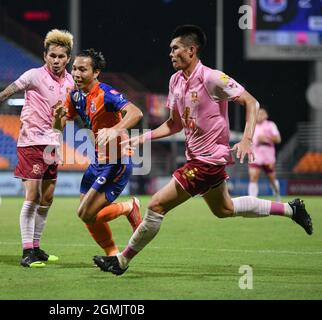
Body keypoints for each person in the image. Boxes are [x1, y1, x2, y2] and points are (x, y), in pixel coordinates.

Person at [93, 25, 313, 276]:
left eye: (175, 48)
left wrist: (247, 139)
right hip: (198, 158)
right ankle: (292, 209)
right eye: (170, 49)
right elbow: (174, 124)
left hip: (208, 161)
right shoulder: (175, 81)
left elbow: (251, 102)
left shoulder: (212, 78)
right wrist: (142, 138)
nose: (171, 53)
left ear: (191, 50)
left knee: (156, 205)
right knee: (224, 210)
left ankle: (121, 261)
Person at [0, 29, 75, 268]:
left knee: (47, 197)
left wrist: (58, 120)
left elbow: (61, 123)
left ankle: (36, 247)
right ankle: (26, 252)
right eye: (52, 55)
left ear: (68, 58)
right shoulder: (33, 75)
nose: (56, 61)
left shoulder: (71, 83)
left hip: (52, 144)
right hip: (31, 141)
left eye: (61, 56)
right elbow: (7, 92)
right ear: (45, 55)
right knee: (32, 196)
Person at [53, 49, 144, 257]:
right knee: (87, 215)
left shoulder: (106, 94)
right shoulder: (75, 96)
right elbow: (58, 128)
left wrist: (114, 130)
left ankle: (129, 207)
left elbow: (135, 112)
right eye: (74, 68)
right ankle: (112, 253)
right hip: (98, 162)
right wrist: (57, 117)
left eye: (82, 69)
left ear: (96, 73)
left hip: (117, 161)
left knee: (84, 212)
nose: (76, 73)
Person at [248, 108, 282, 201]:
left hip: (268, 157)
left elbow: (278, 139)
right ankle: (252, 200)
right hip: (255, 156)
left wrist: (266, 138)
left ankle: (277, 196)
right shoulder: (251, 125)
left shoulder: (271, 125)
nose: (260, 115)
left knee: (272, 178)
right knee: (253, 176)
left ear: (266, 115)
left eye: (262, 113)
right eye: (258, 113)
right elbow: (248, 140)